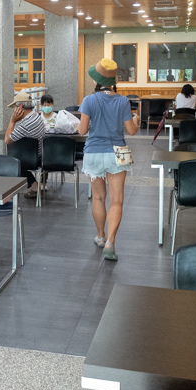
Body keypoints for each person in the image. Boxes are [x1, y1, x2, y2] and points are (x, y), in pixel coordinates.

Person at [78, 58, 139, 262]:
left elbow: (82, 130)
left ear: (96, 80)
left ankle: (101, 236)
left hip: (94, 152)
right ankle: (111, 242)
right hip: (117, 153)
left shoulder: (89, 100)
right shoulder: (123, 101)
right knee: (117, 201)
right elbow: (131, 130)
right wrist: (136, 120)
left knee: (98, 198)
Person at [4, 91, 45, 198]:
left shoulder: (26, 124)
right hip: (38, 154)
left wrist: (12, 121)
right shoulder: (35, 116)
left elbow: (7, 139)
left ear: (20, 106)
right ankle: (35, 185)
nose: (14, 110)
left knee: (8, 162)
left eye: (15, 107)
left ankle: (32, 186)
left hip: (30, 158)